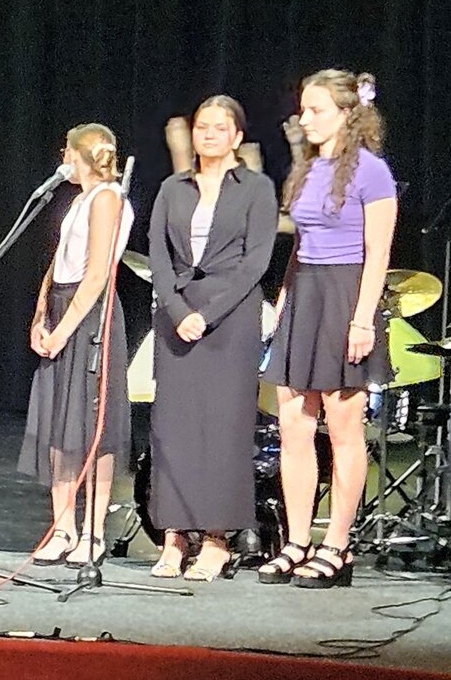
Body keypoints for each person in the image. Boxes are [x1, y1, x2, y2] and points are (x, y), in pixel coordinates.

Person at [258, 70, 396, 589]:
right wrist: (284, 299)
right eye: (303, 108)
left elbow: (378, 253)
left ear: (347, 113)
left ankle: (337, 545)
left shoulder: (372, 172)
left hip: (346, 296)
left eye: (316, 110)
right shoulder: (311, 169)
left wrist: (362, 319)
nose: (305, 118)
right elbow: (301, 244)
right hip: (307, 295)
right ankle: (297, 541)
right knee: (294, 426)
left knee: (343, 430)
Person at [146, 96, 279, 580]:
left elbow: (256, 261)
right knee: (174, 428)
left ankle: (217, 539)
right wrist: (180, 311)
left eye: (219, 128)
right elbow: (158, 256)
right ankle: (174, 536)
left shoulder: (257, 188)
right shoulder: (172, 188)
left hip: (231, 317)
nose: (208, 134)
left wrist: (208, 314)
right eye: (202, 126)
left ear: (237, 137)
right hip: (178, 316)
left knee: (224, 429)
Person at [22, 124, 134, 567]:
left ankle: (93, 531)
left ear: (78, 154)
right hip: (62, 308)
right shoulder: (78, 201)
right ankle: (62, 525)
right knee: (59, 423)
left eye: (66, 150)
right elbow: (58, 264)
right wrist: (40, 316)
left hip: (90, 317)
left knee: (92, 426)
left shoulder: (107, 198)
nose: (62, 156)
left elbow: (98, 274)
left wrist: (64, 330)